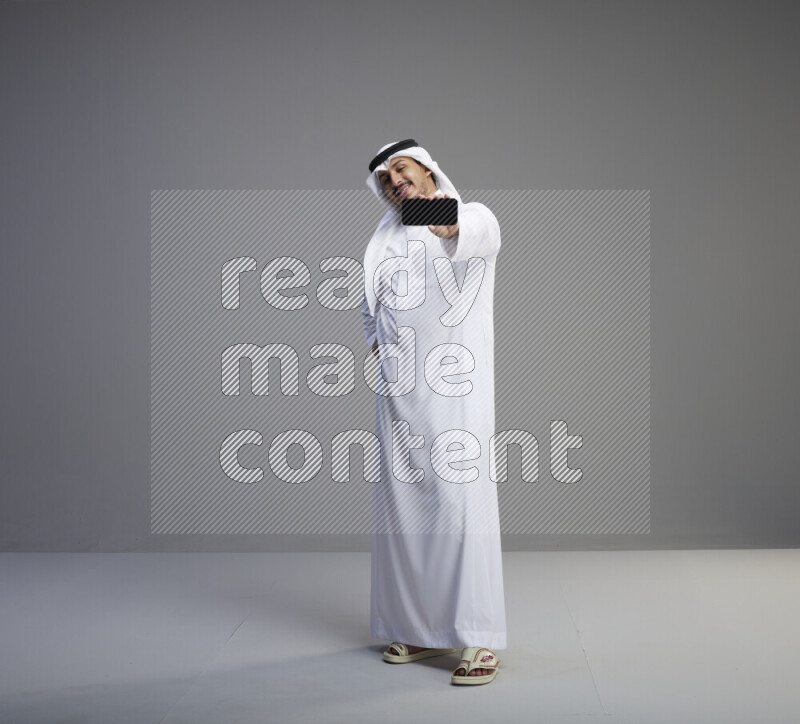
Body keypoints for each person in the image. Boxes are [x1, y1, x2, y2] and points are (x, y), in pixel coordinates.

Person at [361, 140, 507, 685]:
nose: (394, 183)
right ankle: (421, 631)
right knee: (403, 514)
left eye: (401, 170)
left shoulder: (473, 217)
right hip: (397, 400)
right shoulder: (380, 241)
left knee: (460, 506)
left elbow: (452, 228)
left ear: (428, 168)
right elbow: (371, 310)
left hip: (456, 395)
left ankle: (478, 639)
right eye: (384, 180)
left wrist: (415, 202)